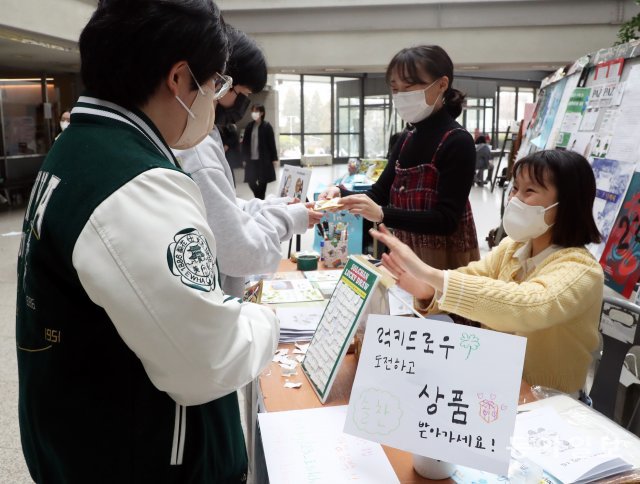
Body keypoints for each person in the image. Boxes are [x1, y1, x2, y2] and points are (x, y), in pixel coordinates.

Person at [16, 2, 278, 482]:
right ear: (179, 79)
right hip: (144, 457)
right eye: (216, 83)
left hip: (85, 437)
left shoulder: (79, 147)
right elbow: (209, 360)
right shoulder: (133, 183)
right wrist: (263, 317)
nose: (215, 99)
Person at [370, 150, 604, 394]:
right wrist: (428, 290)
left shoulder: (581, 269)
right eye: (515, 189)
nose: (514, 199)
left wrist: (430, 275)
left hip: (549, 405)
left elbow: (527, 306)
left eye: (529, 191)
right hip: (496, 390)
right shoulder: (511, 249)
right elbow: (470, 278)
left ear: (566, 203)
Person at [174, 25, 321, 298]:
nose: (242, 105)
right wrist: (287, 218)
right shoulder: (194, 144)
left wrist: (277, 207)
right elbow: (239, 248)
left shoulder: (206, 134)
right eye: (236, 91)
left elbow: (223, 206)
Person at [320, 45, 480, 274]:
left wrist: (384, 214)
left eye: (410, 87)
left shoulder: (458, 142)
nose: (401, 96)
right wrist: (340, 194)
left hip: (444, 263)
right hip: (405, 254)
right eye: (395, 89)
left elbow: (446, 220)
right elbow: (379, 194)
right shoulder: (406, 138)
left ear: (442, 84)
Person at [242, 103, 278, 199]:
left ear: (262, 113)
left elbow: (272, 144)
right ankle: (260, 200)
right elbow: (245, 144)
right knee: (251, 181)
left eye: (256, 111)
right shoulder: (249, 126)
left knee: (263, 182)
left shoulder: (267, 126)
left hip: (263, 160)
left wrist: (274, 159)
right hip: (251, 160)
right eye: (252, 111)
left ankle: (259, 201)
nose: (254, 113)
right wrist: (244, 158)